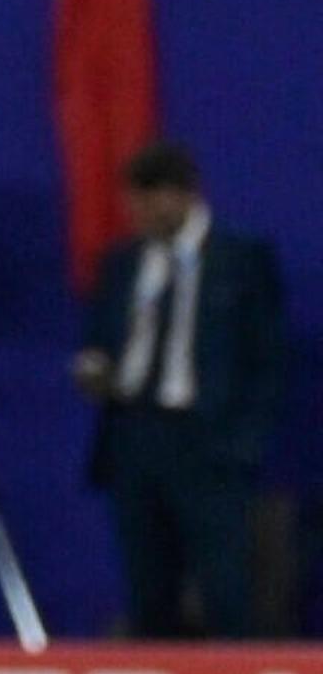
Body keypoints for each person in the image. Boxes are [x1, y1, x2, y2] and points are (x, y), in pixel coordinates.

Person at [76, 140, 290, 638]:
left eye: (149, 203)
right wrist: (95, 368)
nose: (139, 215)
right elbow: (102, 335)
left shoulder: (240, 258)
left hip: (207, 442)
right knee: (148, 587)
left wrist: (241, 446)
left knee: (224, 587)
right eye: (132, 203)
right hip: (135, 437)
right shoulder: (124, 261)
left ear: (184, 196)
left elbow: (267, 358)